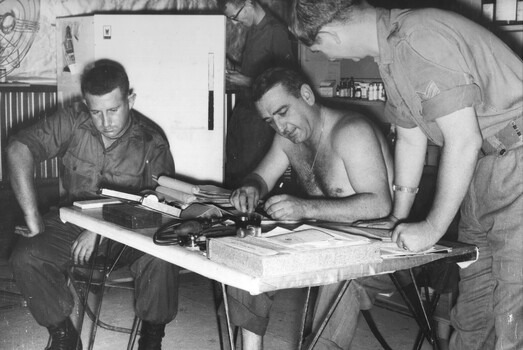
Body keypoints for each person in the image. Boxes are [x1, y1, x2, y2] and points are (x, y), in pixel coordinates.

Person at [290, 1, 523, 349]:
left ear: (329, 34)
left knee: (512, 314)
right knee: (473, 317)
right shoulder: (393, 51)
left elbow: (464, 139)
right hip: (485, 169)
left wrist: (430, 228)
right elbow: (411, 137)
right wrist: (398, 216)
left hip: (514, 160)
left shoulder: (419, 37)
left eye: (321, 48)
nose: (331, 57)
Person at [7, 60, 179, 350]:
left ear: (130, 100)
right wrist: (32, 216)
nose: (106, 122)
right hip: (75, 224)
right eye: (96, 112)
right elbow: (17, 149)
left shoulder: (152, 142)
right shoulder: (73, 120)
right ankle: (64, 336)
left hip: (130, 233)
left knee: (161, 255)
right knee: (27, 256)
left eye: (114, 110)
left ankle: (152, 339)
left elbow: (159, 208)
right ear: (86, 105)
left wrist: (101, 231)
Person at [226, 66, 394, 350]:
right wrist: (252, 187)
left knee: (339, 276)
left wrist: (304, 208)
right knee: (248, 251)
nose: (280, 127)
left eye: (283, 112)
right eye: (270, 121)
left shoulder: (351, 131)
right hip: (325, 242)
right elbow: (261, 177)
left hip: (377, 247)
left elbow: (380, 204)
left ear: (306, 95)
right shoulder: (287, 139)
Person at [217, 0, 295, 188]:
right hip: (243, 112)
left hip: (260, 120)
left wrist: (245, 80)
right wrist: (234, 70)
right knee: (234, 171)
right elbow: (257, 71)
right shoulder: (253, 30)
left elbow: (284, 82)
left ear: (249, 4)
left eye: (235, 16)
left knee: (252, 175)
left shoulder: (275, 31)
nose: (235, 22)